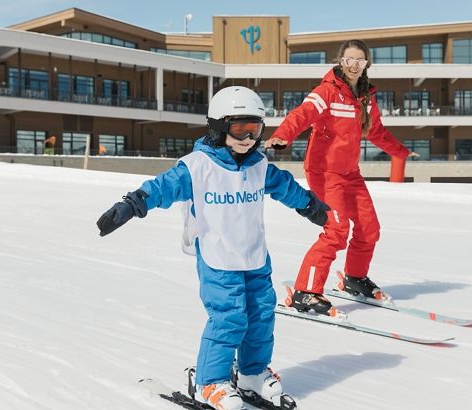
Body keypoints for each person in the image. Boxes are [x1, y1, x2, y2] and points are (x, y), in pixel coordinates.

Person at [96, 86, 329, 410]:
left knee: (261, 316)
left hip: (255, 257)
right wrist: (132, 204)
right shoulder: (198, 166)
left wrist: (310, 206)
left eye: (255, 129)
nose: (248, 137)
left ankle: (251, 375)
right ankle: (210, 382)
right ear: (219, 127)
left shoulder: (258, 165)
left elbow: (284, 186)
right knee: (229, 318)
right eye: (239, 129)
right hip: (219, 260)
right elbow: (163, 187)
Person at [264, 39, 419, 315]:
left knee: (369, 228)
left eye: (359, 60)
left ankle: (354, 278)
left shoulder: (366, 99)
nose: (353, 65)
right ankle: (306, 291)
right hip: (324, 172)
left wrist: (402, 152)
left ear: (366, 64)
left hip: (350, 173)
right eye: (348, 59)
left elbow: (377, 133)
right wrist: (282, 136)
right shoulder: (327, 91)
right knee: (336, 230)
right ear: (340, 61)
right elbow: (303, 114)